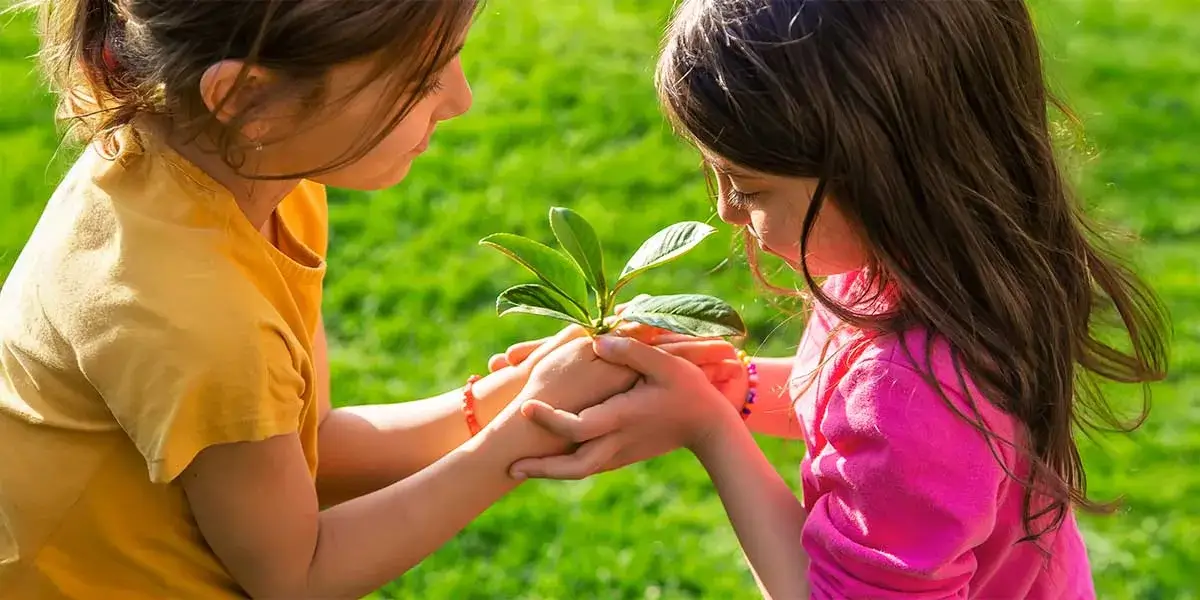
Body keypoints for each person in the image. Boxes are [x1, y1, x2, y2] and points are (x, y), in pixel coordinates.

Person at [501, 1, 1170, 598]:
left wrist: (709, 428)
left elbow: (882, 425)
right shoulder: (929, 271)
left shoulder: (918, 393)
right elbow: (849, 414)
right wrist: (730, 385)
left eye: (749, 186)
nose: (725, 210)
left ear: (880, 170)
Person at [0, 1, 646, 598]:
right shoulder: (197, 314)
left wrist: (512, 395)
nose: (461, 99)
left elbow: (308, 451)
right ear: (246, 97)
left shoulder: (252, 176)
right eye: (419, 79)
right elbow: (298, 575)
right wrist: (528, 429)